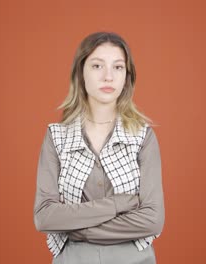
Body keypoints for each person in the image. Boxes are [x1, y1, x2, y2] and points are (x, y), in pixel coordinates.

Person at [33, 31, 165, 264]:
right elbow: (44, 217)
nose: (108, 77)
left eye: (118, 67)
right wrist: (118, 204)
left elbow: (152, 220)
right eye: (97, 66)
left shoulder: (143, 137)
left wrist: (78, 229)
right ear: (80, 72)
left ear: (127, 76)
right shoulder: (57, 137)